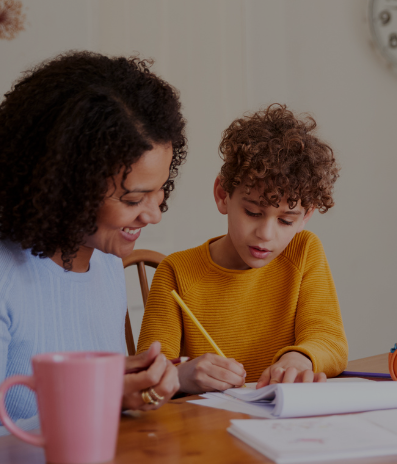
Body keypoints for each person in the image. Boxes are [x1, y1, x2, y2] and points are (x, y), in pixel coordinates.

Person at [0, 51, 188, 450]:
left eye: (161, 191)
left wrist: (127, 386)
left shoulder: (103, 264)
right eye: (134, 199)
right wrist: (98, 401)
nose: (153, 215)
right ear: (68, 186)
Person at [137, 104, 348, 393]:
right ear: (223, 196)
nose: (265, 234)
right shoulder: (176, 272)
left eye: (286, 220)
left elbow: (329, 340)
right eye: (252, 212)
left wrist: (300, 358)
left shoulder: (304, 251)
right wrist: (183, 375)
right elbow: (148, 372)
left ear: (306, 216)